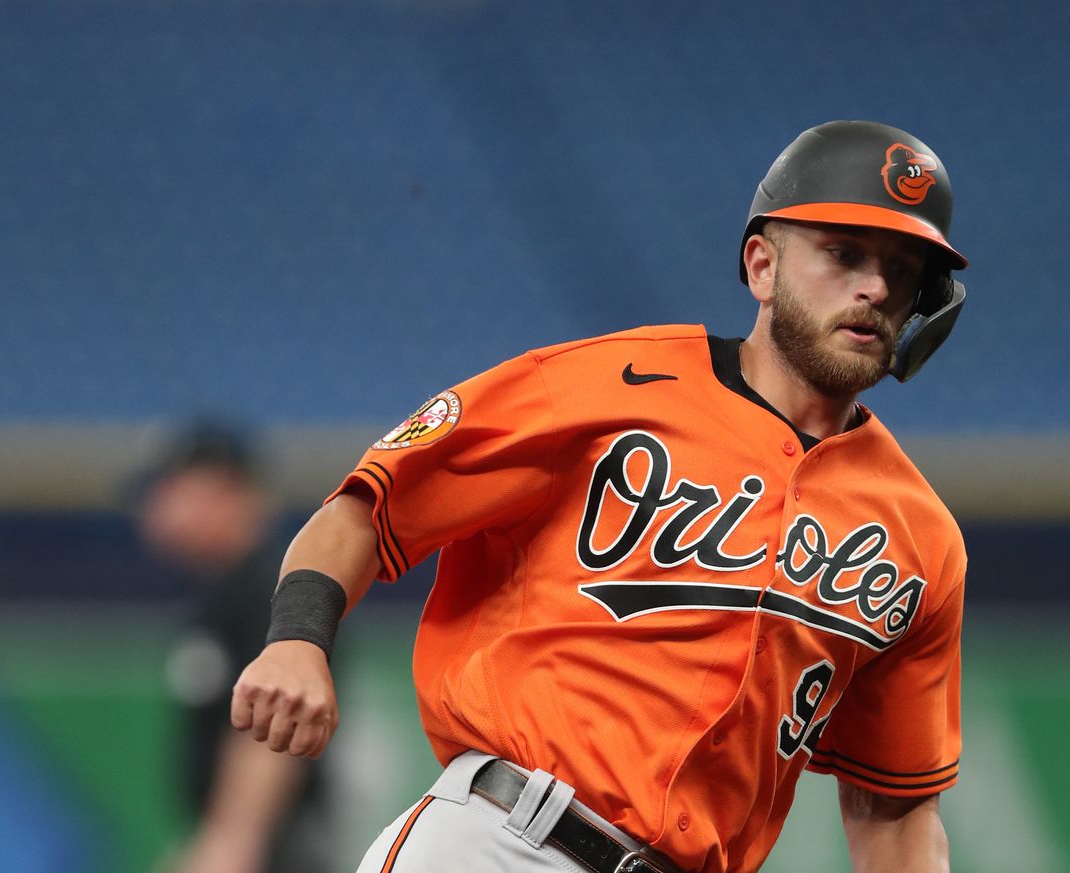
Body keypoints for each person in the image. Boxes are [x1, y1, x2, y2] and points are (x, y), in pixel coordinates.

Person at [230, 120, 970, 873]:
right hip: (504, 839)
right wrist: (297, 636)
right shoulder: (600, 386)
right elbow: (367, 508)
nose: (874, 288)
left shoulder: (918, 534)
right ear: (762, 266)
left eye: (902, 270)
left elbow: (895, 807)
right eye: (843, 254)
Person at [135, 423, 333, 873]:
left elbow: (271, 728)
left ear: (223, 490)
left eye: (173, 489)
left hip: (280, 847)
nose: (157, 507)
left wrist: (233, 843)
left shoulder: (269, 590)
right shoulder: (226, 592)